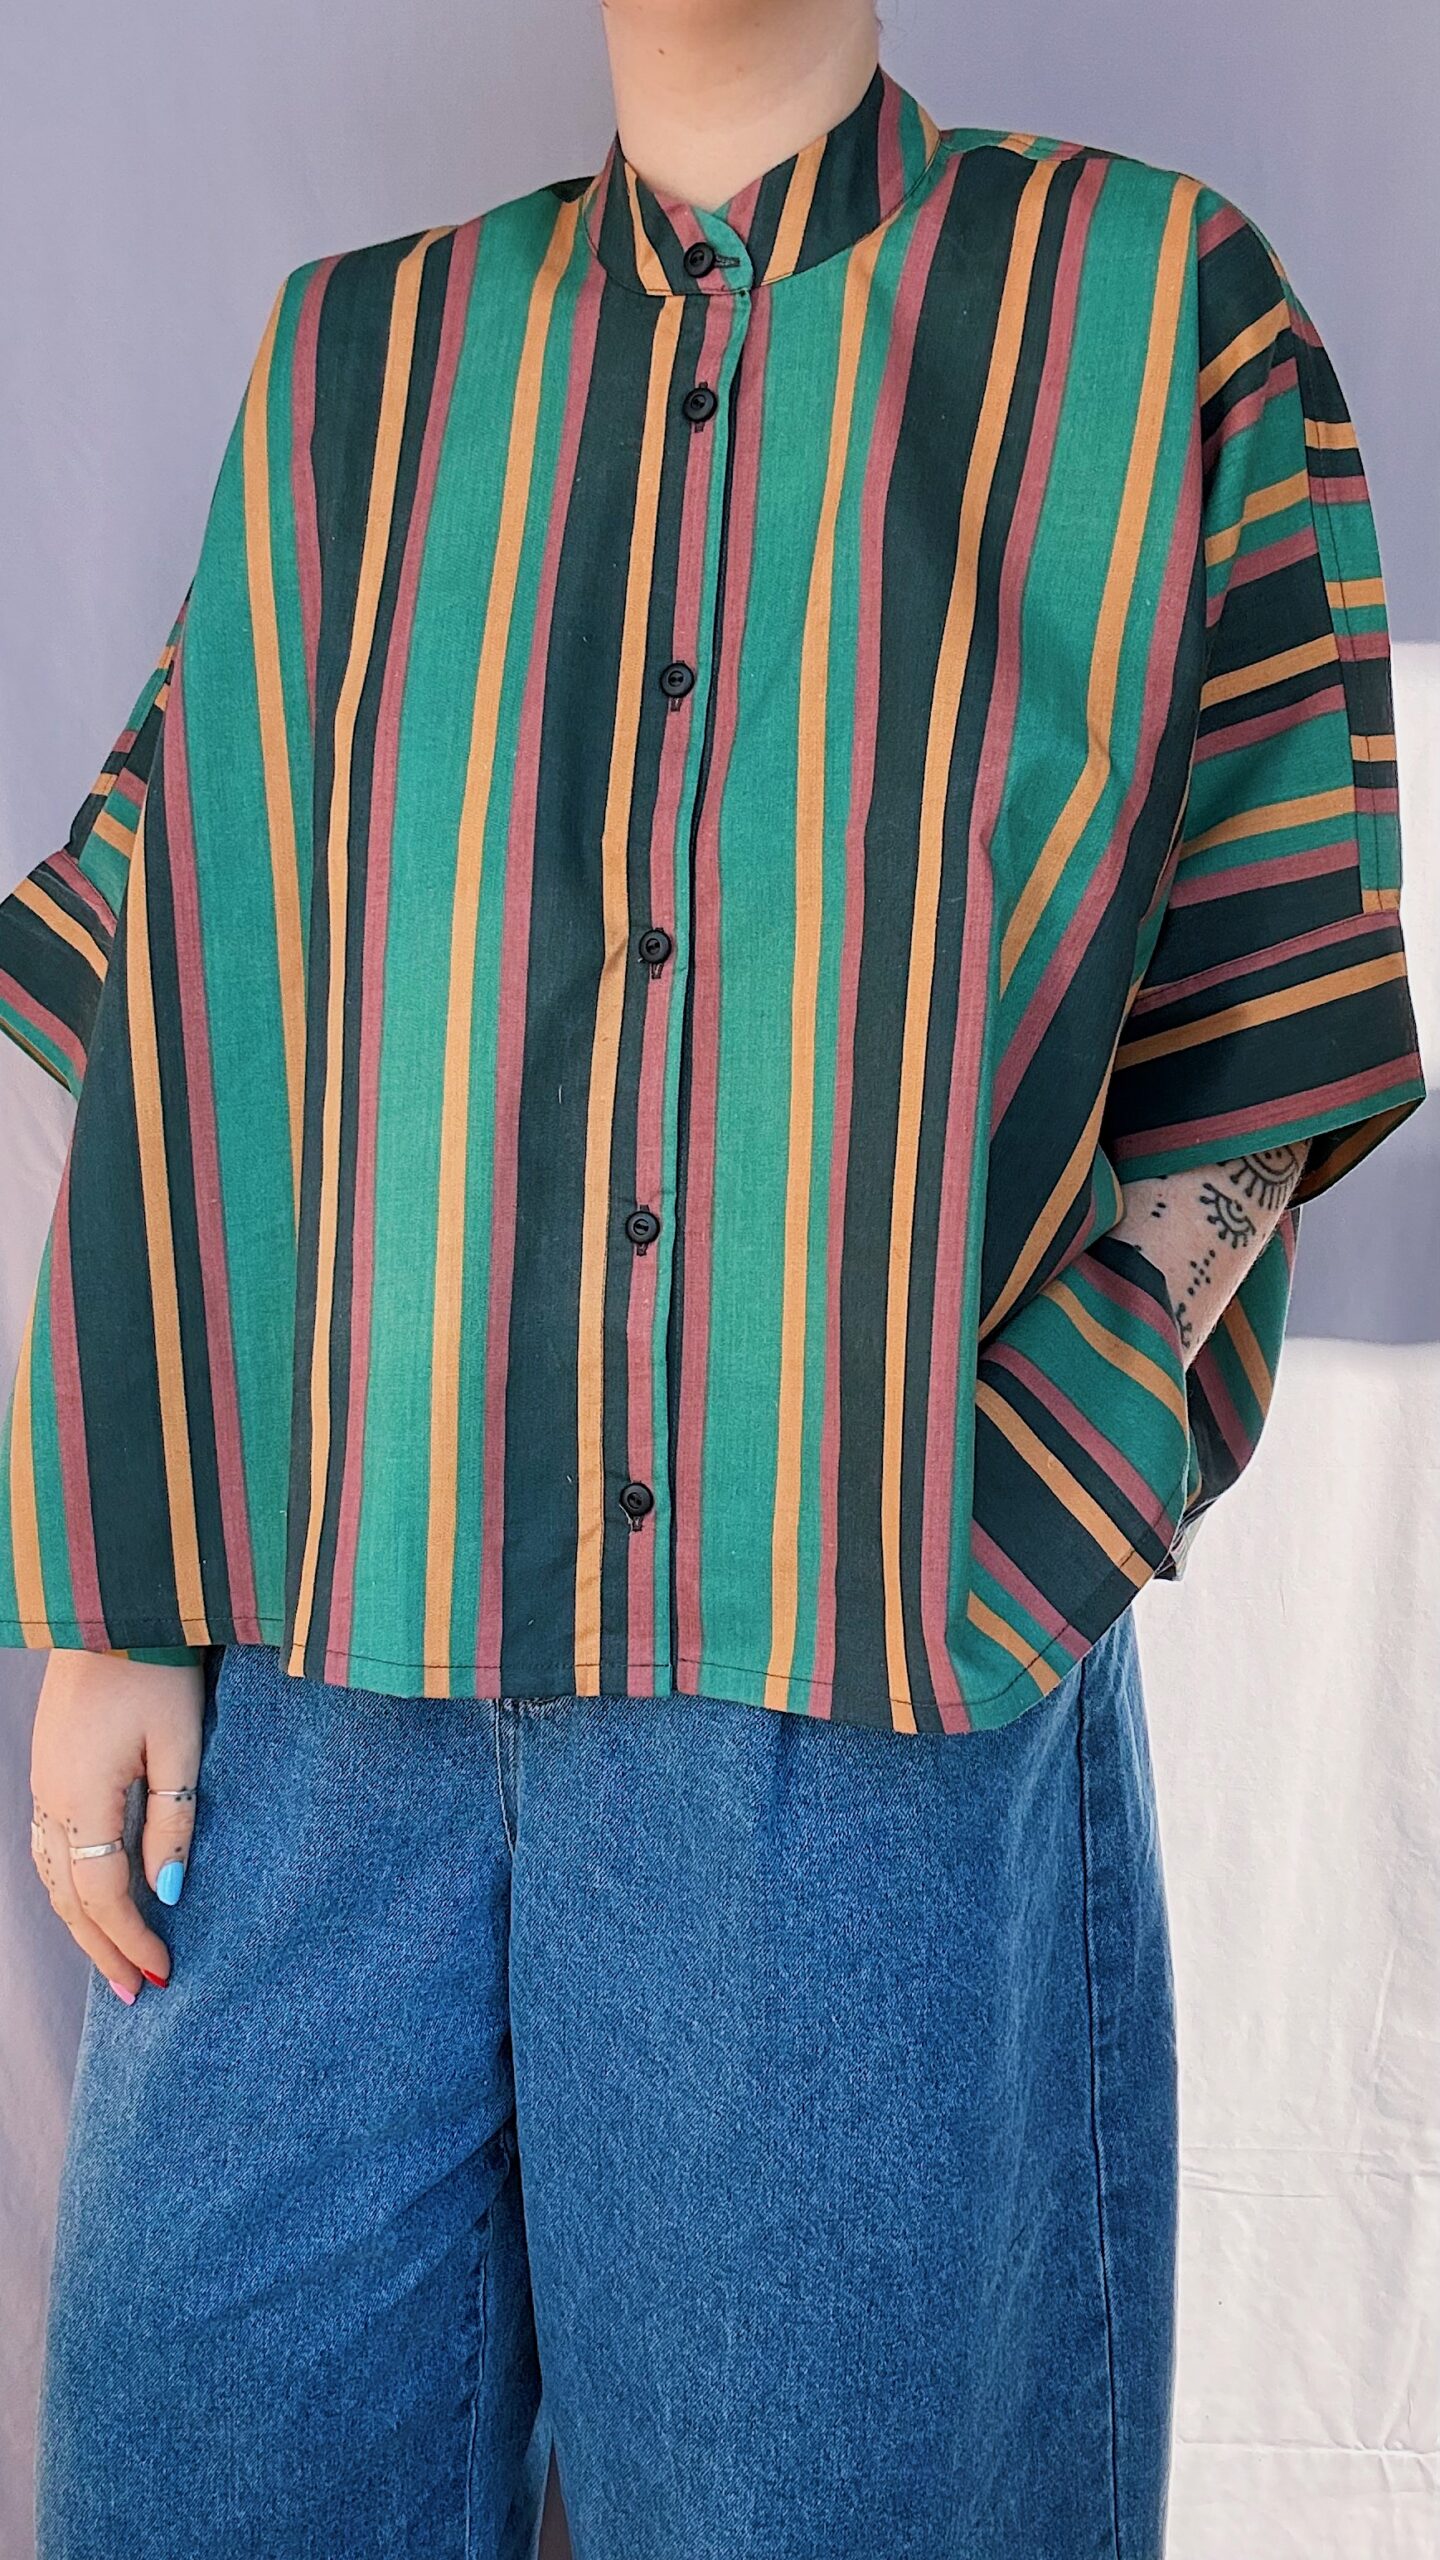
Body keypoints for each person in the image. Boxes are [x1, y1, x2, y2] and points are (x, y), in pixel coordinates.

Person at [0, 1, 1425, 2554]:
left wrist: (1017, 1510)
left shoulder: (1152, 314)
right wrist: (117, 1589)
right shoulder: (356, 362)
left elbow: (1260, 1033)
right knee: (199, 2470)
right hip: (327, 1690)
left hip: (846, 1698)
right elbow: (185, 988)